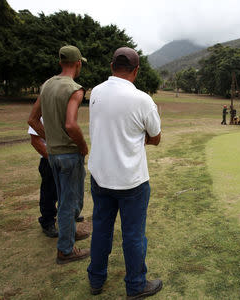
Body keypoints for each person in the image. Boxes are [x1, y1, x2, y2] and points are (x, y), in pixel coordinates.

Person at [87, 47, 162, 299]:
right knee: (133, 235)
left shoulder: (96, 92)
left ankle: (96, 279)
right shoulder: (143, 100)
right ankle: (136, 285)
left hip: (100, 176)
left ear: (111, 67)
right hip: (131, 181)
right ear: (136, 70)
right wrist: (136, 140)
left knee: (101, 229)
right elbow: (156, 137)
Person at [28, 45, 90, 264]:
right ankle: (65, 250)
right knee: (68, 201)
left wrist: (52, 137)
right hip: (69, 155)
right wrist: (82, 146)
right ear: (78, 63)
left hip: (53, 155)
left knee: (67, 199)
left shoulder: (46, 85)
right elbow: (71, 125)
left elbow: (32, 120)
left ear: (60, 62)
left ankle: (69, 232)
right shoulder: (75, 89)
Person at [28, 117, 58, 238]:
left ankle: (69, 215)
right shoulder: (42, 114)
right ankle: (47, 222)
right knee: (49, 193)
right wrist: (51, 158)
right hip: (49, 160)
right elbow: (35, 140)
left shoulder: (65, 109)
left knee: (66, 190)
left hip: (63, 159)